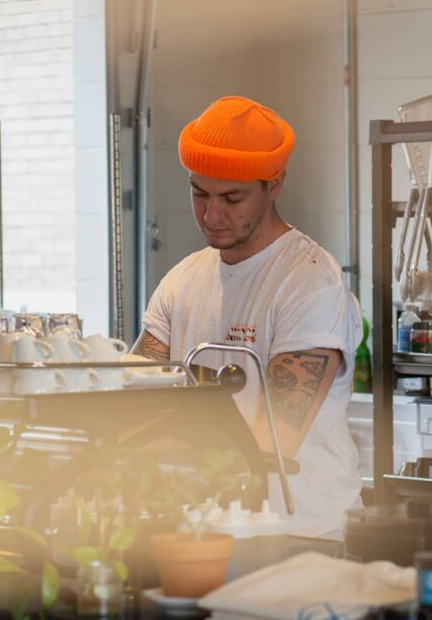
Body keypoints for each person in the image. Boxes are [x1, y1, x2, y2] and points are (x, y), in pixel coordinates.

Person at [135, 95, 362, 537]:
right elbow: (136, 398)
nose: (211, 214)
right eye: (199, 194)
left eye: (232, 197)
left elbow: (272, 442)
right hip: (203, 529)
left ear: (273, 184)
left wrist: (153, 441)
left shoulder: (309, 283)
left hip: (298, 536)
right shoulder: (182, 279)